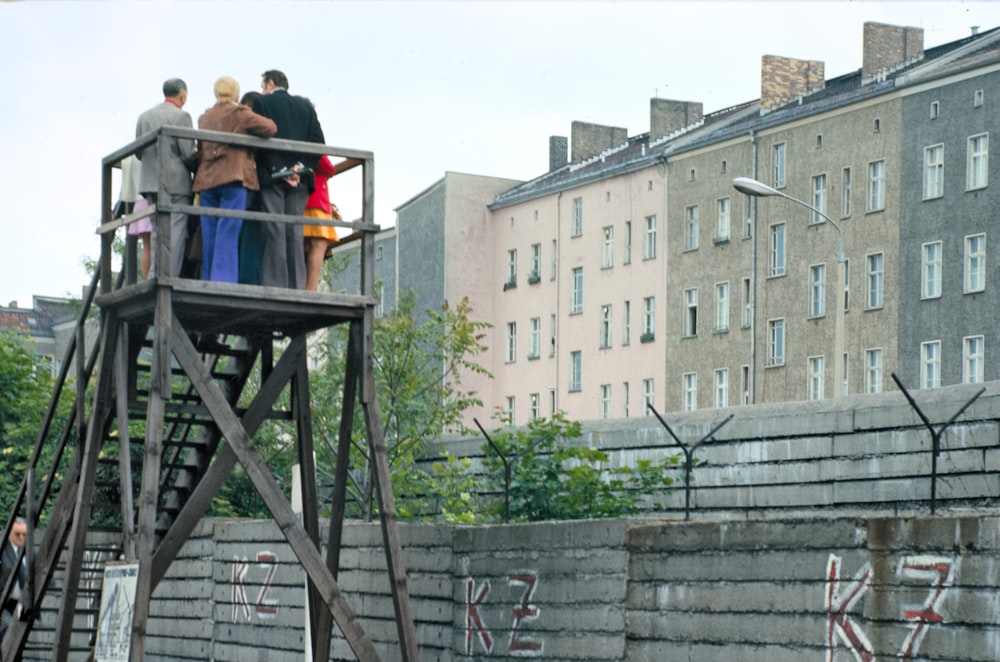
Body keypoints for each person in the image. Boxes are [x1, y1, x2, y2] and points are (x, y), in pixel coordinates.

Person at [192, 77, 277, 283]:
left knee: (210, 231)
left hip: (207, 180)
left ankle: (208, 279)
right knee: (228, 231)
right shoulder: (240, 113)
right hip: (233, 177)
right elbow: (271, 128)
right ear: (236, 94)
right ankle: (224, 281)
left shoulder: (205, 117)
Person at [251, 70, 325, 289]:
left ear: (271, 83)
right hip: (301, 180)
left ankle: (275, 284)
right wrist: (299, 168)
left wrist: (281, 169)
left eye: (263, 85)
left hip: (272, 176)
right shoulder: (306, 108)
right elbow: (319, 143)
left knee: (274, 227)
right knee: (294, 229)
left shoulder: (262, 103)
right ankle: (296, 285)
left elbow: (258, 141)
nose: (263, 90)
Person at [136, 78, 199, 278]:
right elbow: (188, 153)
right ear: (183, 94)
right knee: (176, 232)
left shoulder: (144, 117)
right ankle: (168, 277)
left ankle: (155, 275)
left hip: (150, 181)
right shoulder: (182, 116)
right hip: (176, 182)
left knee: (157, 232)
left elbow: (139, 152)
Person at [302, 154, 340, 291]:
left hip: (303, 199)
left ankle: (304, 287)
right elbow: (326, 166)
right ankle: (310, 289)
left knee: (303, 246)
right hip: (316, 199)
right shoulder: (310, 134)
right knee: (319, 244)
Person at [115, 155, 153, 279]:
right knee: (155, 245)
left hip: (138, 202)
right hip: (150, 199)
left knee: (147, 246)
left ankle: (147, 279)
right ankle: (150, 278)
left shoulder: (132, 157)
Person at [0, 518, 27, 640]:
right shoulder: (3, 551)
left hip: (20, 604)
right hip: (4, 602)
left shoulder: (28, 552)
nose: (21, 538)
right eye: (17, 534)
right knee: (7, 631)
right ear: (9, 533)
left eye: (24, 535)